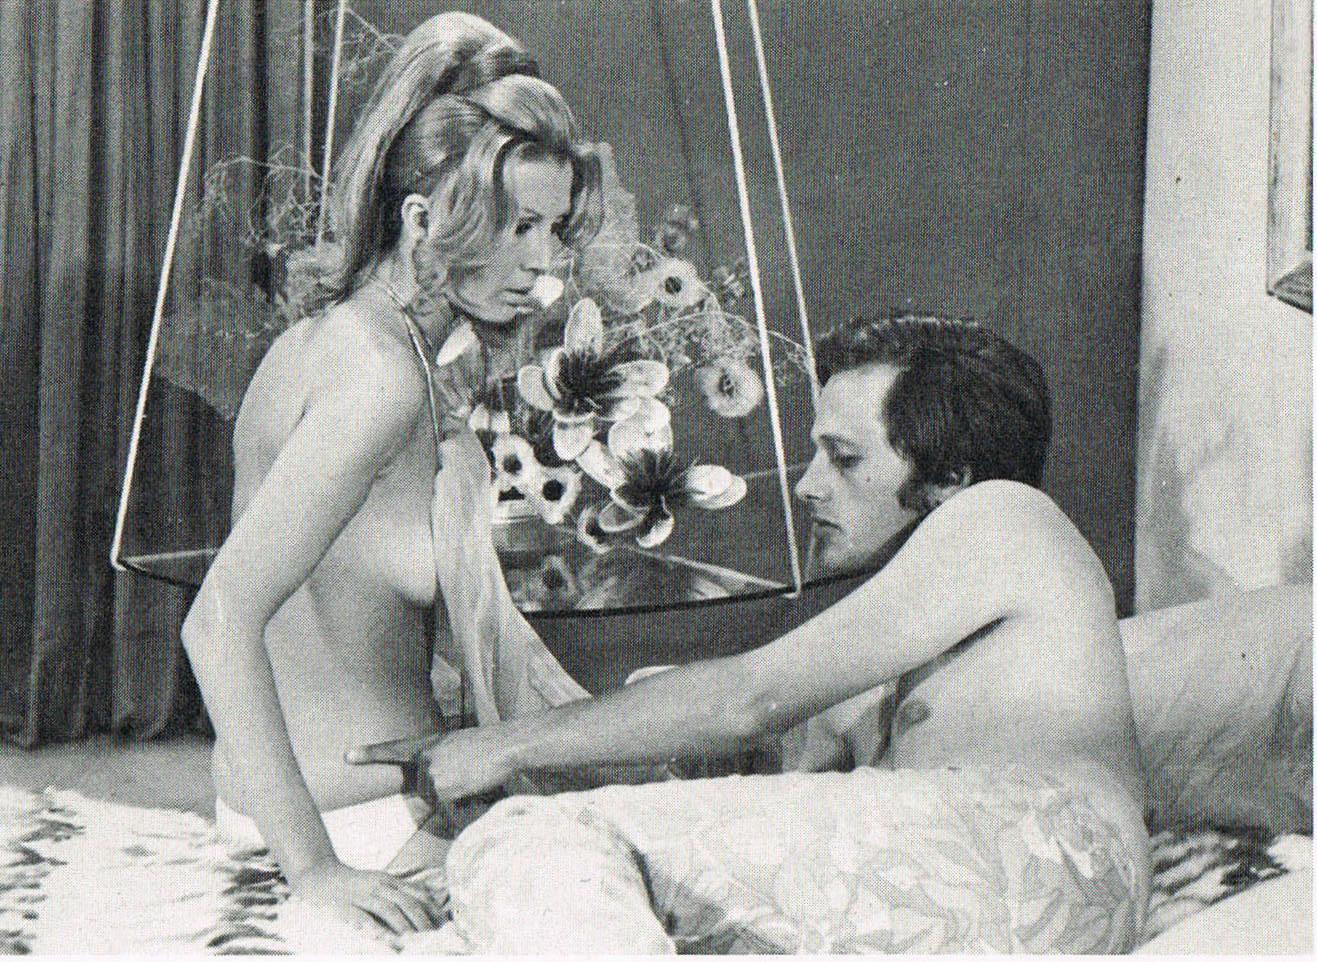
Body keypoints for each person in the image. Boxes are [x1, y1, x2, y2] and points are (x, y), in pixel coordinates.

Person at [350, 315, 1153, 953]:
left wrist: (502, 746)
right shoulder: (919, 613)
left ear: (951, 477)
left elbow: (748, 699)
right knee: (567, 845)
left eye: (843, 459)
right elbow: (759, 770)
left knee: (529, 843)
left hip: (1046, 854)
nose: (806, 486)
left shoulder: (1005, 515)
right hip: (1021, 881)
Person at [180, 11, 603, 937]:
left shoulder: (330, 340)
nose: (544, 264)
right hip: (359, 826)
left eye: (552, 227)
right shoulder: (379, 379)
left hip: (303, 802)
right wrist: (315, 870)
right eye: (517, 226)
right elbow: (217, 619)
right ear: (423, 219)